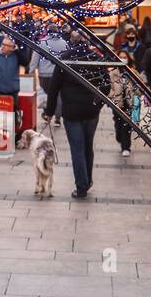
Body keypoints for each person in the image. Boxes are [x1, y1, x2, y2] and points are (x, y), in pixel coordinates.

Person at [43, 41, 106, 199]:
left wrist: (49, 111)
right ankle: (88, 180)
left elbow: (54, 88)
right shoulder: (95, 59)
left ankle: (82, 186)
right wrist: (98, 104)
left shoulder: (64, 60)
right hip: (91, 111)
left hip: (71, 112)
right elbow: (106, 85)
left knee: (77, 149)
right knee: (87, 146)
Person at [108, 51, 141, 157]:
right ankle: (121, 140)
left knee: (126, 126)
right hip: (117, 104)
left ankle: (126, 147)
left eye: (124, 57)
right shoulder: (113, 73)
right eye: (121, 57)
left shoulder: (133, 72)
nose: (123, 59)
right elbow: (109, 88)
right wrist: (112, 98)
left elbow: (140, 89)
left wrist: (135, 91)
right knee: (118, 126)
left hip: (129, 103)